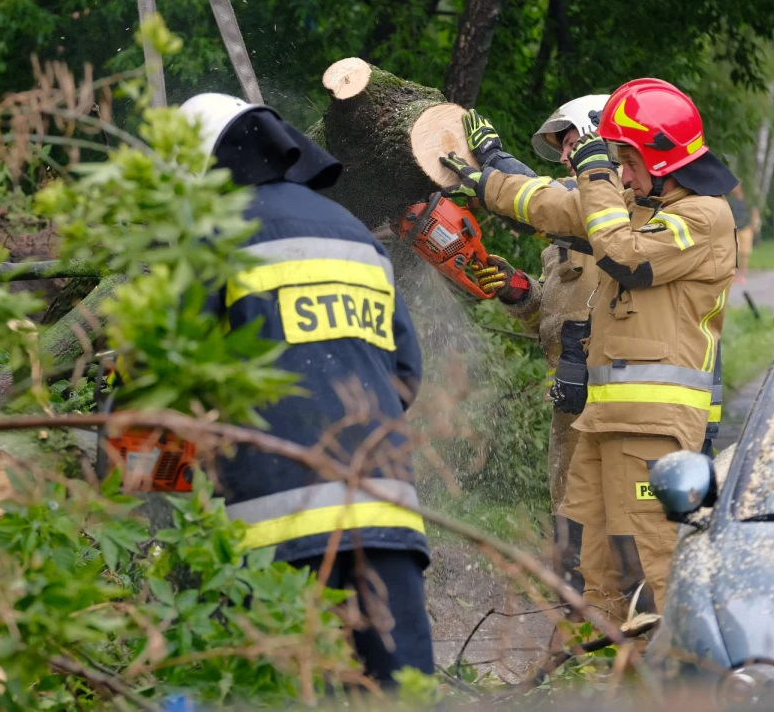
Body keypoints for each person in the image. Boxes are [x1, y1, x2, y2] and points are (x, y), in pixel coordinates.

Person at [441, 78, 737, 619]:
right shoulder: (636, 204)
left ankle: (670, 663)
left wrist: (597, 173)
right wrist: (487, 183)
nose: (622, 174)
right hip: (604, 417)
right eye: (616, 163)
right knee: (589, 567)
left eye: (629, 161)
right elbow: (553, 203)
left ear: (661, 158)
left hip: (652, 423)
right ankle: (594, 653)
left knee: (651, 566)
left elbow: (625, 257)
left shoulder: (703, 217)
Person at [178, 93, 433, 687]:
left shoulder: (214, 237)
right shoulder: (355, 235)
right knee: (401, 693)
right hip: (383, 510)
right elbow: (405, 373)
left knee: (286, 691)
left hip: (275, 522)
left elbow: (177, 373)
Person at [464, 98, 604, 516]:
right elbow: (552, 319)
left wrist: (493, 161)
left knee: (619, 526)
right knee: (572, 520)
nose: (563, 158)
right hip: (572, 400)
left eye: (571, 144)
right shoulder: (564, 239)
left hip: (616, 402)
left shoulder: (621, 210)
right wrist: (519, 292)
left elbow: (546, 202)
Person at [728, 184, 753, 284]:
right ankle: (735, 274)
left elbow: (753, 212)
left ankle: (742, 275)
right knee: (734, 252)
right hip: (735, 229)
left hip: (746, 228)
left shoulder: (747, 200)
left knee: (745, 253)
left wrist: (753, 225)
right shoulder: (730, 200)